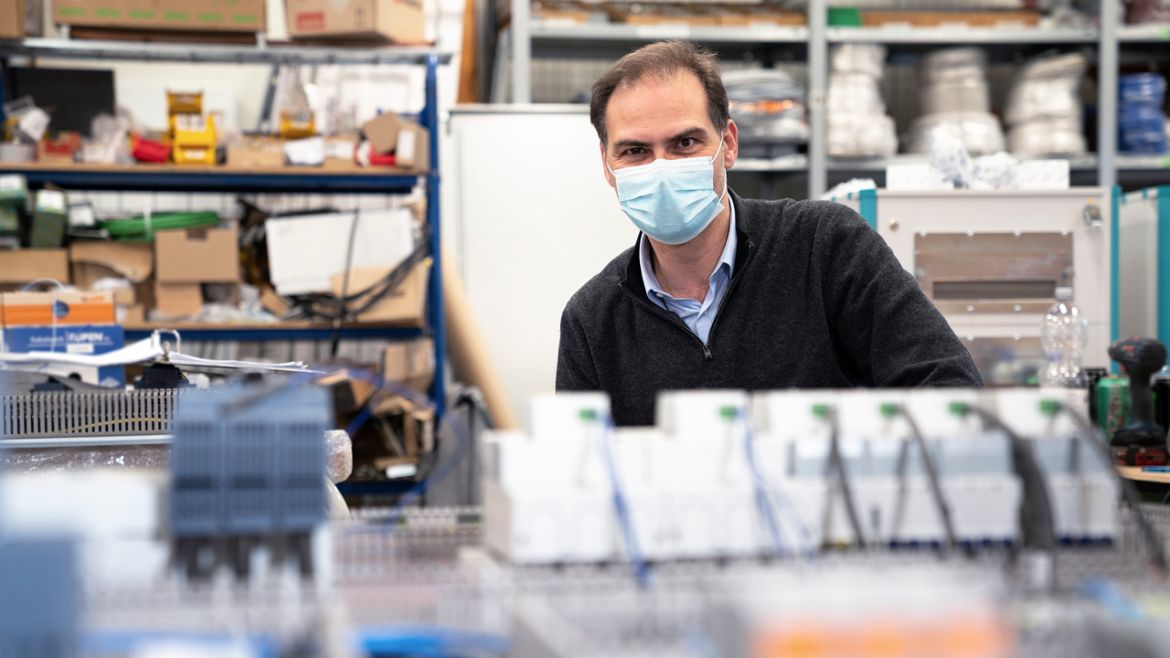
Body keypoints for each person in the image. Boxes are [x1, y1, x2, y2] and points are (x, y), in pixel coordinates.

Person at [556, 40, 982, 426]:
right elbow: (579, 477)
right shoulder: (592, 321)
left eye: (685, 143)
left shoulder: (825, 246)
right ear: (607, 165)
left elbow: (950, 391)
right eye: (635, 151)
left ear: (729, 143)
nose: (662, 167)